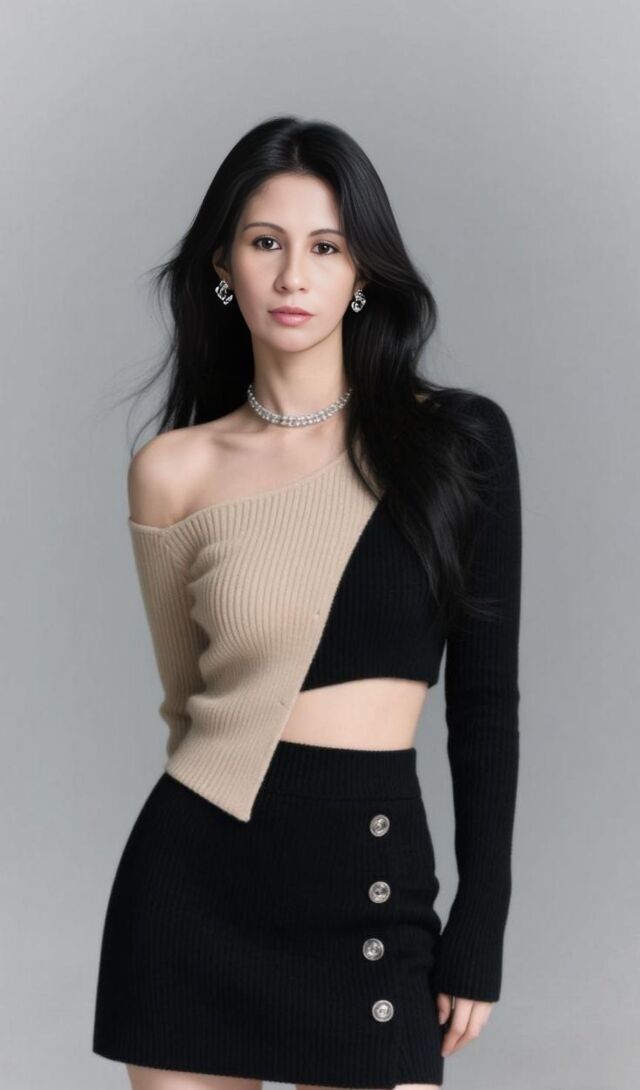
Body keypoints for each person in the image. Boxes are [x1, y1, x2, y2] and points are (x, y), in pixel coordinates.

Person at [92, 115, 522, 1090]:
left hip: (369, 881)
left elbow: (484, 705)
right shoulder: (173, 471)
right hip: (196, 888)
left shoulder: (456, 443)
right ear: (223, 267)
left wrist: (480, 923)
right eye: (265, 243)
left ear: (362, 271)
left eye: (326, 247)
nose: (294, 276)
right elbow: (189, 705)